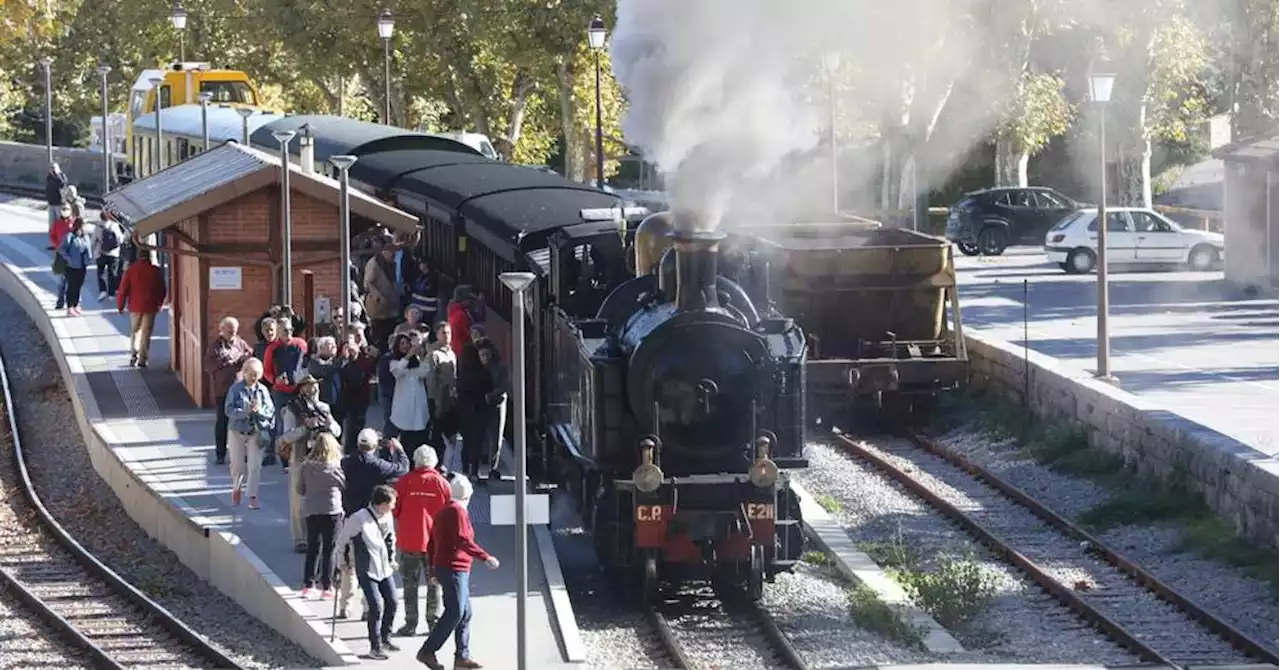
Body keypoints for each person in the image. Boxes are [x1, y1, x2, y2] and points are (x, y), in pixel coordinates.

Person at [415, 475, 498, 670]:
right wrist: (485, 557)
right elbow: (463, 540)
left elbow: (432, 542)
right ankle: (428, 650)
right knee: (455, 612)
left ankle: (462, 656)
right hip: (454, 567)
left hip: (448, 567)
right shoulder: (458, 512)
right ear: (468, 495)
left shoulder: (444, 510)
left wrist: (432, 569)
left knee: (465, 612)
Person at [337, 429, 409, 620]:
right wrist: (398, 450)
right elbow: (402, 468)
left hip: (351, 515)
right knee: (371, 564)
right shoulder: (377, 465)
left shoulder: (346, 463)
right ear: (374, 446)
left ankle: (345, 605)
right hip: (372, 518)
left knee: (350, 564)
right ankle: (368, 607)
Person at [333, 485, 401, 660]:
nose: (394, 506)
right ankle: (375, 646)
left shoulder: (388, 515)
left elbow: (390, 538)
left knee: (392, 602)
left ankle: (386, 637)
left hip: (384, 567)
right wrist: (341, 562)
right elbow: (342, 541)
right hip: (366, 568)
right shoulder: (359, 518)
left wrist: (392, 559)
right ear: (382, 503)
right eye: (392, 503)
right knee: (376, 606)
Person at [279, 373, 342, 553]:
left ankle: (320, 535)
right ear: (301, 389)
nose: (312, 389)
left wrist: (329, 424)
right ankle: (300, 537)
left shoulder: (324, 407)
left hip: (324, 458)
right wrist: (305, 427)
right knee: (298, 498)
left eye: (314, 385)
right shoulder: (292, 409)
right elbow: (287, 436)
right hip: (301, 456)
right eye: (307, 386)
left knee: (324, 497)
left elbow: (337, 431)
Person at [393, 445, 451, 637]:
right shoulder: (442, 484)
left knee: (410, 584)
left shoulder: (404, 482)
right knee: (434, 582)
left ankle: (410, 623)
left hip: (410, 540)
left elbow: (395, 510)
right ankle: (433, 622)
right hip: (435, 542)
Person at [298, 431, 346, 600]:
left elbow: (300, 490)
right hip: (332, 510)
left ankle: (308, 584)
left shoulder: (306, 466)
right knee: (329, 549)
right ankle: (327, 585)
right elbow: (343, 485)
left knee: (313, 548)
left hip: (312, 509)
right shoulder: (336, 467)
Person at [224, 358, 275, 509]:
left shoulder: (263, 390)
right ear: (244, 373)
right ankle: (236, 487)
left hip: (256, 430)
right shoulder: (235, 389)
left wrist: (259, 411)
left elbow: (270, 410)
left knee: (255, 465)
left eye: (257, 374)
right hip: (237, 430)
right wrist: (245, 412)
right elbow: (229, 410)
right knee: (237, 464)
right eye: (251, 373)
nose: (254, 377)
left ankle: (252, 496)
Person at [204, 316, 253, 465]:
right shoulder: (215, 346)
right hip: (223, 389)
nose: (232, 334)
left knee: (243, 420)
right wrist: (228, 361)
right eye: (230, 331)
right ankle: (220, 454)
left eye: (234, 331)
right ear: (222, 330)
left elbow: (249, 353)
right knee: (223, 422)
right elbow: (209, 366)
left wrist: (243, 358)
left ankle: (242, 452)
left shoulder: (239, 342)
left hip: (240, 388)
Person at [264, 315, 310, 472]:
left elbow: (307, 363)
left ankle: (301, 456)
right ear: (278, 332)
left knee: (302, 422)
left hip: (299, 390)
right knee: (282, 425)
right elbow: (267, 371)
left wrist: (304, 381)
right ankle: (285, 460)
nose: (288, 333)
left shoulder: (301, 344)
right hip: (281, 391)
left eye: (290, 330)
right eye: (285, 330)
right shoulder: (272, 348)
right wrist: (276, 380)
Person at [116, 251, 167, 367]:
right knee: (146, 332)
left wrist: (120, 305)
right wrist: (160, 303)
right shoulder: (155, 271)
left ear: (138, 257)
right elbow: (162, 289)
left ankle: (134, 354)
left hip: (135, 306)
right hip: (150, 306)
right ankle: (143, 358)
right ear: (149, 257)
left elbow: (123, 289)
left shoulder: (131, 270)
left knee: (135, 330)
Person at [424, 322, 459, 466]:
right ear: (437, 335)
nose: (447, 336)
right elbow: (431, 380)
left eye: (449, 333)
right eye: (443, 333)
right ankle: (437, 465)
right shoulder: (433, 355)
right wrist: (434, 401)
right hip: (438, 400)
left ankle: (447, 465)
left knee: (452, 436)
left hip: (451, 401)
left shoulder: (451, 353)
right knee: (437, 436)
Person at [389, 336, 431, 452]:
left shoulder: (416, 361)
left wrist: (421, 356)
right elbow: (397, 372)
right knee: (406, 442)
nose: (405, 346)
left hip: (418, 407)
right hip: (404, 408)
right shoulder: (394, 362)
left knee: (420, 439)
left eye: (408, 343)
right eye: (402, 344)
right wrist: (408, 356)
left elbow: (424, 372)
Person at [476, 342, 510, 482]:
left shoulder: (500, 368)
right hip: (480, 405)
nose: (484, 358)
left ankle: (492, 467)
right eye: (482, 355)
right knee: (480, 435)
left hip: (496, 403)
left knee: (495, 437)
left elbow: (504, 386)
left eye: (487, 355)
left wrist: (490, 396)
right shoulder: (476, 368)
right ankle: (479, 466)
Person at [338, 338, 377, 455]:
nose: (350, 349)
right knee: (345, 427)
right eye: (347, 346)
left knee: (356, 426)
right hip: (345, 398)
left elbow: (370, 369)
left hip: (360, 398)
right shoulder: (342, 361)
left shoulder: (364, 360)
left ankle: (354, 452)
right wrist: (344, 359)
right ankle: (346, 452)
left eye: (352, 346)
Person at [363, 241, 401, 356]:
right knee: (379, 336)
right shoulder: (374, 263)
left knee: (391, 335)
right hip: (378, 309)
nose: (393, 253)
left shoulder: (392, 264)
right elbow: (367, 283)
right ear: (384, 250)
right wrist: (378, 297)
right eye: (391, 251)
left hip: (392, 308)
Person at [56, 217, 93, 317]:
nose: (86, 227)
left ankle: (76, 305)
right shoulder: (70, 236)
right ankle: (70, 307)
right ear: (80, 225)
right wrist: (69, 258)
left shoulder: (85, 236)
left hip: (82, 265)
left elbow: (88, 249)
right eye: (85, 225)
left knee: (78, 286)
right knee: (71, 287)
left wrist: (89, 259)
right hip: (72, 266)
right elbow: (61, 249)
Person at [93, 211, 125, 300]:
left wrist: (95, 251)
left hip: (100, 252)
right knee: (112, 273)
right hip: (113, 253)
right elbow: (120, 239)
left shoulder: (98, 226)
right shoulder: (114, 225)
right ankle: (111, 293)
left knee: (101, 272)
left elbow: (93, 240)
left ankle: (103, 290)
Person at [445, 286, 475, 359]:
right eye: (468, 299)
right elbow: (466, 334)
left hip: (456, 348)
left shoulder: (454, 310)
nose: (470, 302)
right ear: (463, 300)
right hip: (462, 350)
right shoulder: (460, 315)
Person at [45, 163, 67, 247]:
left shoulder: (61, 176)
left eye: (53, 168)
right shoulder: (49, 177)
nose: (51, 170)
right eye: (50, 168)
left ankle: (62, 243)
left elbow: (62, 184)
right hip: (51, 203)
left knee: (60, 224)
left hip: (59, 203)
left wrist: (57, 174)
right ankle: (54, 243)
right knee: (52, 225)